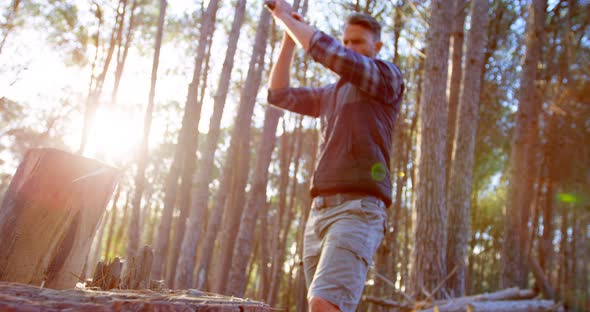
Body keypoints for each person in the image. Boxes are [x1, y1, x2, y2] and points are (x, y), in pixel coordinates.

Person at [266, 1, 404, 311]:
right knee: (324, 305)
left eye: (358, 42)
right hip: (319, 214)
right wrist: (289, 34)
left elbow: (337, 57)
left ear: (377, 46)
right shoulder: (330, 94)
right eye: (347, 41)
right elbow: (279, 95)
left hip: (358, 210)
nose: (350, 47)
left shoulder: (386, 79)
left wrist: (285, 16)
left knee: (324, 303)